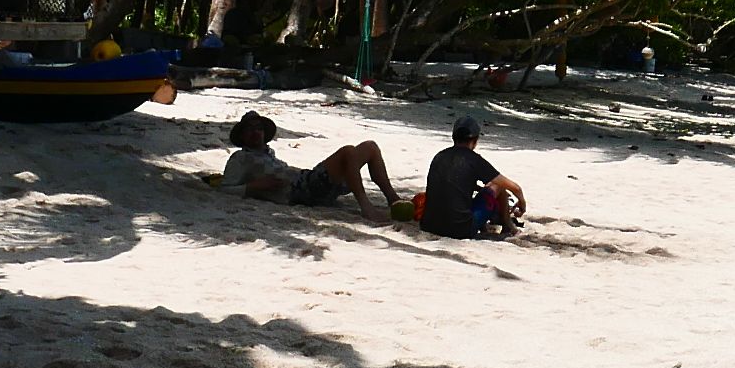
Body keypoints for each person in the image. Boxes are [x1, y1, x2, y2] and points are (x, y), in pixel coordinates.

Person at [222, 111, 398, 221]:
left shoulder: (269, 154)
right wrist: (254, 187)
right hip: (299, 191)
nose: (255, 132)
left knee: (370, 146)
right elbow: (224, 189)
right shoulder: (240, 157)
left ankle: (393, 199)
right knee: (348, 151)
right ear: (242, 136)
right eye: (250, 129)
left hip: (306, 182)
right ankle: (366, 207)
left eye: (258, 128)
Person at [421, 115, 525, 239]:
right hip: (460, 230)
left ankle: (493, 223)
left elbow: (453, 182)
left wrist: (478, 188)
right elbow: (514, 188)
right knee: (498, 185)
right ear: (475, 141)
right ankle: (509, 226)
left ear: (453, 137)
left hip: (429, 225)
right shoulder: (474, 160)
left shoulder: (439, 156)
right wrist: (522, 203)